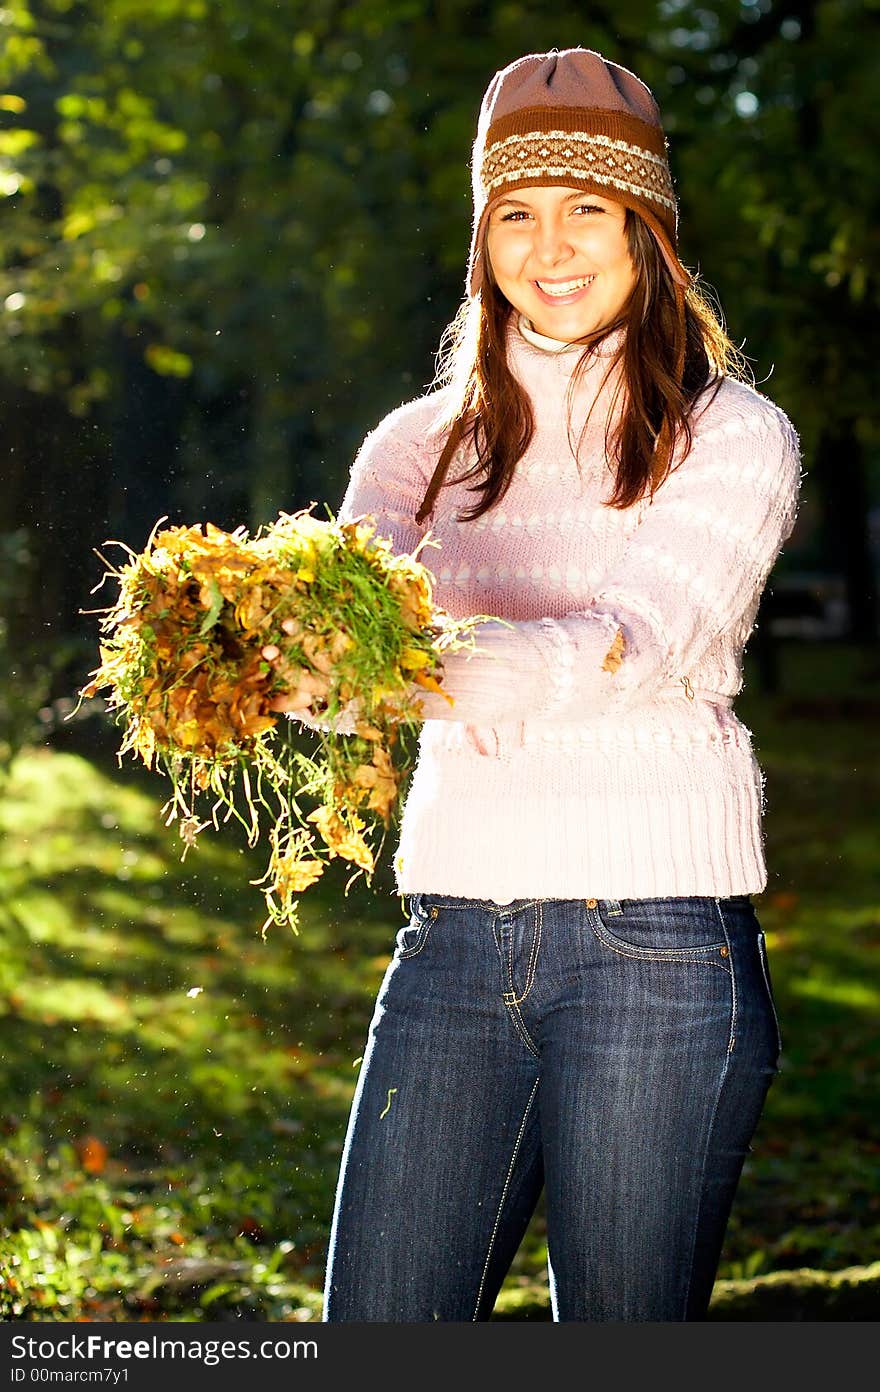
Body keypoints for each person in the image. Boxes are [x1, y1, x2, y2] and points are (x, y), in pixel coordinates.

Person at [274, 47, 803, 1321]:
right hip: (452, 934)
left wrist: (428, 670)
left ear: (648, 233)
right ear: (479, 238)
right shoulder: (416, 447)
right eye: (516, 212)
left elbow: (641, 636)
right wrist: (282, 664)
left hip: (657, 941)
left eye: (587, 210)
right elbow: (351, 667)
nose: (549, 247)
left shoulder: (726, 430)